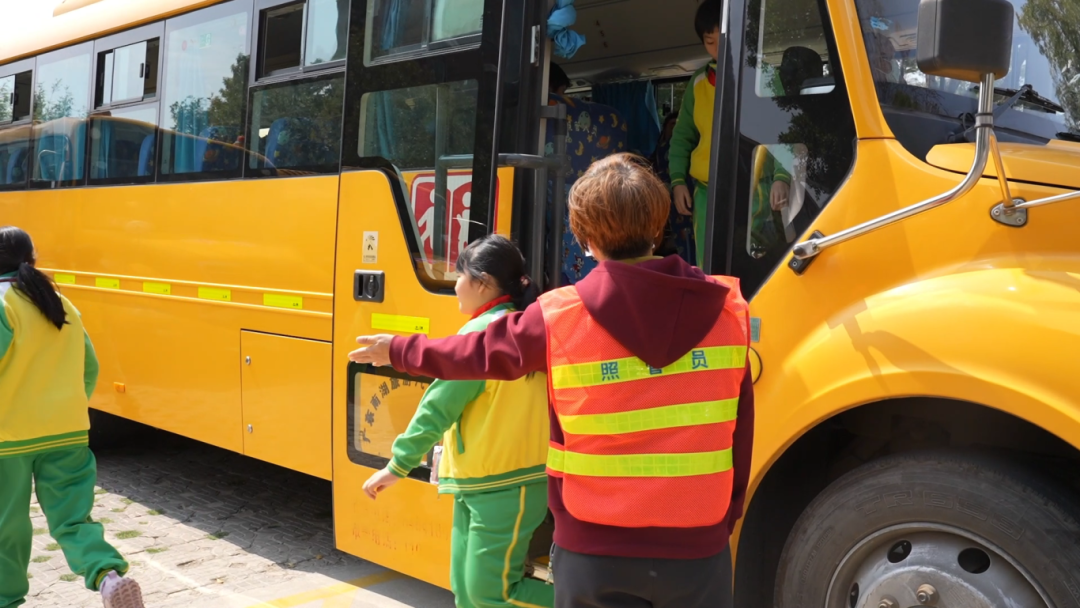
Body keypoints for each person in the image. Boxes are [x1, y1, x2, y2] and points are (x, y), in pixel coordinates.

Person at [350, 154, 755, 608]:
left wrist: (398, 349)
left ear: (585, 239)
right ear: (657, 227)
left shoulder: (559, 316)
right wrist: (721, 525)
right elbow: (740, 436)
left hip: (593, 550)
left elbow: (475, 353)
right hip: (698, 549)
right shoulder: (729, 311)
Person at [361, 234, 554, 608]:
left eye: (459, 276)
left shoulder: (483, 333)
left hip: (507, 484)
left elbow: (437, 407)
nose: (454, 287)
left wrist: (397, 466)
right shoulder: (513, 329)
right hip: (484, 482)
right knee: (465, 590)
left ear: (482, 283)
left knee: (489, 593)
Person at [0, 227, 144, 608]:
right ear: (32, 259)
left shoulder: (1, 304)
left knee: (5, 526)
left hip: (7, 437)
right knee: (73, 518)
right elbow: (89, 367)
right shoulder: (60, 302)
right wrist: (66, 407)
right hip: (67, 430)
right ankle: (107, 576)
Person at [669, 0, 722, 267]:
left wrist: (781, 177)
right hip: (705, 191)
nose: (717, 49)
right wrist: (678, 181)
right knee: (709, 265)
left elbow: (780, 132)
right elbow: (682, 137)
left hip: (754, 188)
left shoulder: (763, 76)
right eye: (710, 42)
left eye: (723, 40)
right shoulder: (698, 82)